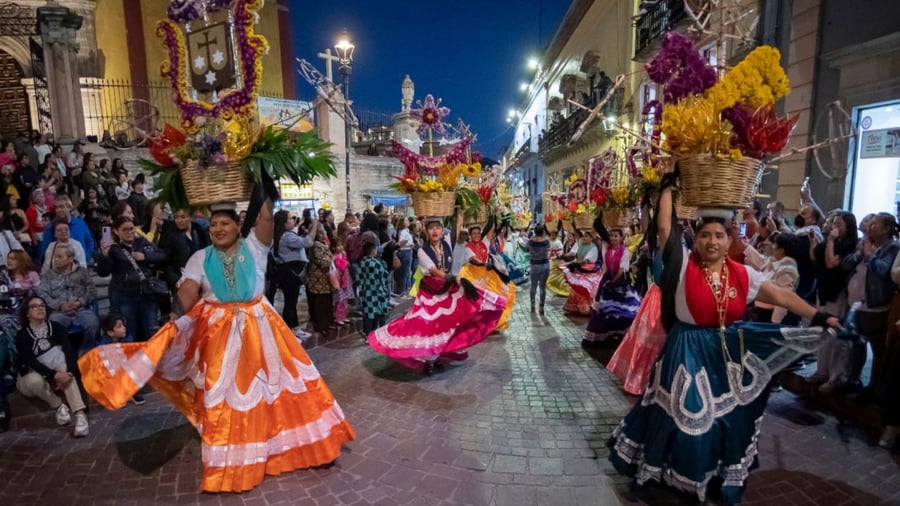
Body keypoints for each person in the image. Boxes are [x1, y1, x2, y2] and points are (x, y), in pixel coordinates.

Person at [78, 199, 355, 492]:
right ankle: (233, 459)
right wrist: (175, 315)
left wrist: (257, 165)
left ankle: (297, 446)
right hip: (220, 333)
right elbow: (187, 290)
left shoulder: (255, 247)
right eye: (213, 225)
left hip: (262, 327)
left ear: (238, 225)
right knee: (224, 394)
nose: (218, 229)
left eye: (225, 224)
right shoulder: (200, 257)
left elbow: (265, 216)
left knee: (281, 387)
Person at [607, 181, 842, 504]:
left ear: (730, 239)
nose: (712, 242)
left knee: (721, 420)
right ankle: (665, 474)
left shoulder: (743, 275)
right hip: (684, 349)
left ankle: (709, 475)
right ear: (697, 239)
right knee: (682, 416)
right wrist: (667, 187)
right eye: (705, 235)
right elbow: (665, 227)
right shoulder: (682, 265)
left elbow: (783, 295)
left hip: (725, 351)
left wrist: (818, 317)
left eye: (719, 235)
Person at [368, 215, 507, 373]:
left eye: (438, 228)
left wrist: (460, 211)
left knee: (445, 323)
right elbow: (433, 270)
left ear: (442, 231)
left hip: (446, 289)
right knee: (427, 326)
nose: (435, 231)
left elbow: (457, 230)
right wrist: (452, 278)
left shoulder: (447, 243)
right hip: (430, 294)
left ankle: (438, 356)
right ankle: (427, 361)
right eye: (431, 229)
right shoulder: (422, 251)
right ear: (426, 232)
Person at [16, 295, 89, 437]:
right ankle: (59, 405)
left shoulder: (56, 327)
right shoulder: (22, 335)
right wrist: (54, 375)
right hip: (32, 375)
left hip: (57, 369)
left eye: (42, 305)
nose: (40, 308)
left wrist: (68, 373)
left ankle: (80, 415)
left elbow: (69, 350)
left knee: (65, 367)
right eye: (35, 306)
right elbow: (31, 361)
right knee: (33, 380)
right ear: (27, 313)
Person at [95, 216, 166, 341]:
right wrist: (105, 255)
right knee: (129, 330)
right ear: (116, 231)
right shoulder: (113, 248)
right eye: (125, 230)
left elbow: (161, 255)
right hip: (125, 295)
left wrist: (145, 256)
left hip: (146, 293)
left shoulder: (141, 242)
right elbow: (103, 272)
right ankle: (131, 359)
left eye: (131, 229)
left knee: (151, 329)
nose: (129, 232)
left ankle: (153, 358)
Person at [583, 221, 641, 346]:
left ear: (621, 238)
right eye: (611, 235)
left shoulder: (625, 251)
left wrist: (613, 282)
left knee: (620, 309)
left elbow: (622, 269)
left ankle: (620, 333)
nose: (613, 238)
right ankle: (601, 336)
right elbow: (595, 233)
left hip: (619, 281)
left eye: (616, 236)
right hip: (607, 278)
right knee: (601, 308)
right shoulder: (605, 247)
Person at [458, 218, 517, 331]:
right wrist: (484, 264)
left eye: (478, 233)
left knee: (498, 295)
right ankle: (478, 324)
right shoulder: (467, 247)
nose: (476, 235)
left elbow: (491, 230)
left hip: (486, 274)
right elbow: (473, 259)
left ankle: (492, 324)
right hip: (472, 274)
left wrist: (493, 216)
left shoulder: (484, 242)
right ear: (470, 235)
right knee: (476, 301)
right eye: (474, 233)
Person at [39, 243, 99, 352]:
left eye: (60, 257)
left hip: (81, 310)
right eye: (55, 257)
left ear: (71, 258)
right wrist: (60, 305)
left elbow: (92, 291)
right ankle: (64, 353)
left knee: (92, 323)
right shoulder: (48, 275)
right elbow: (43, 294)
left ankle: (86, 351)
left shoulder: (82, 272)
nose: (56, 260)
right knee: (53, 324)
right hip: (59, 312)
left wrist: (80, 302)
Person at [272, 210, 315, 338]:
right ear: (283, 222)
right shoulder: (287, 237)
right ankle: (289, 331)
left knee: (292, 301)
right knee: (290, 302)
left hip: (288, 272)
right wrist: (315, 227)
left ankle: (295, 327)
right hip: (289, 273)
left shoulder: (283, 235)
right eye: (290, 219)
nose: (293, 221)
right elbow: (307, 243)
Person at [39, 195, 93, 264]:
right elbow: (45, 250)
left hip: (81, 265)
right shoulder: (50, 227)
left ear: (69, 207)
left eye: (61, 207)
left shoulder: (80, 223)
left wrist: (86, 256)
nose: (58, 210)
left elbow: (89, 241)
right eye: (56, 207)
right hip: (60, 267)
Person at [561, 229, 602, 315]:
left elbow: (585, 261)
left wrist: (574, 264)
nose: (584, 238)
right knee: (576, 288)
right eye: (583, 236)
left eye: (586, 236)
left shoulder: (593, 248)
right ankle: (577, 307)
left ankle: (587, 308)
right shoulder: (580, 244)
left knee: (584, 287)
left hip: (589, 271)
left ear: (591, 238)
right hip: (579, 269)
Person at [356, 241, 390, 335]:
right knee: (380, 313)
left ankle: (368, 334)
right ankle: (382, 333)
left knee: (368, 314)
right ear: (372, 250)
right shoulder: (376, 263)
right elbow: (384, 276)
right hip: (377, 291)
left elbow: (358, 278)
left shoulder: (362, 263)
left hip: (366, 292)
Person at [306, 227, 335, 335]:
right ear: (320, 234)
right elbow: (322, 261)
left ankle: (327, 324)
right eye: (324, 232)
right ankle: (321, 326)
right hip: (319, 281)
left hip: (325, 280)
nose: (326, 233)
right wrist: (332, 259)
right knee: (320, 304)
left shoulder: (322, 244)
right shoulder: (316, 245)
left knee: (327, 303)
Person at [522, 224, 551, 314]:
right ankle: (541, 306)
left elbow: (526, 249)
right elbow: (548, 249)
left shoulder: (531, 241)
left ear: (535, 231)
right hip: (545, 265)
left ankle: (532, 305)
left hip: (534, 265)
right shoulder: (546, 241)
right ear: (543, 232)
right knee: (542, 287)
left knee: (533, 286)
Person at [332, 241, 352, 326]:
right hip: (339, 280)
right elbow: (341, 266)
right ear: (333, 248)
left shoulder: (343, 255)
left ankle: (343, 316)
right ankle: (338, 317)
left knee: (345, 299)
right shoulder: (334, 257)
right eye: (338, 245)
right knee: (339, 299)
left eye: (341, 245)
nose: (340, 247)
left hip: (345, 280)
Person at [546, 230, 570, 297]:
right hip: (550, 258)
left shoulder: (558, 242)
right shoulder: (548, 241)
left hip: (557, 260)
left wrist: (556, 255)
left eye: (554, 234)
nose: (552, 236)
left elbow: (561, 251)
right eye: (551, 234)